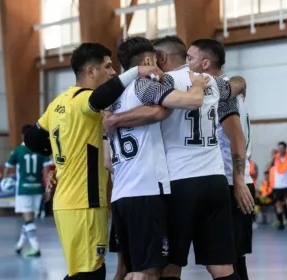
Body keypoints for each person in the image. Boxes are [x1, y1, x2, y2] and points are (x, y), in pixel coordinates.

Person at [104, 36, 250, 280]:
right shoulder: (209, 82)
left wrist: (113, 120)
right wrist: (242, 83)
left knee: (171, 264)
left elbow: (152, 112)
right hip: (215, 181)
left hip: (179, 182)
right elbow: (235, 84)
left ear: (159, 59)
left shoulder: (161, 83)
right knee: (222, 267)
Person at [24, 42, 165, 280]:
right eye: (108, 67)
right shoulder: (84, 100)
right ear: (90, 71)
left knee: (86, 270)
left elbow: (31, 138)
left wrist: (60, 160)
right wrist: (136, 72)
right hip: (84, 202)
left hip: (66, 203)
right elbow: (101, 96)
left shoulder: (58, 102)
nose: (112, 72)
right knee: (90, 273)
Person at [108, 36, 209, 280]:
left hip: (121, 192)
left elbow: (106, 161)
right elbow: (192, 101)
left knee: (129, 270)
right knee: (150, 272)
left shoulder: (112, 97)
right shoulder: (145, 86)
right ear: (147, 61)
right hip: (144, 191)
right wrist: (197, 85)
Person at [183, 38, 254, 280]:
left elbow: (236, 138)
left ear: (205, 63)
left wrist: (239, 179)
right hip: (232, 181)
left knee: (227, 262)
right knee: (231, 261)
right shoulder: (226, 87)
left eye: (190, 58)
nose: (186, 63)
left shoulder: (220, 93)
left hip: (232, 183)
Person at [3, 124, 53, 257]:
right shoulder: (41, 150)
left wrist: (5, 180)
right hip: (37, 188)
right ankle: (20, 244)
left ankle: (35, 248)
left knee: (28, 220)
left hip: (24, 189)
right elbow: (47, 171)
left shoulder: (18, 150)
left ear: (22, 136)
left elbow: (7, 168)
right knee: (29, 219)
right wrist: (48, 189)